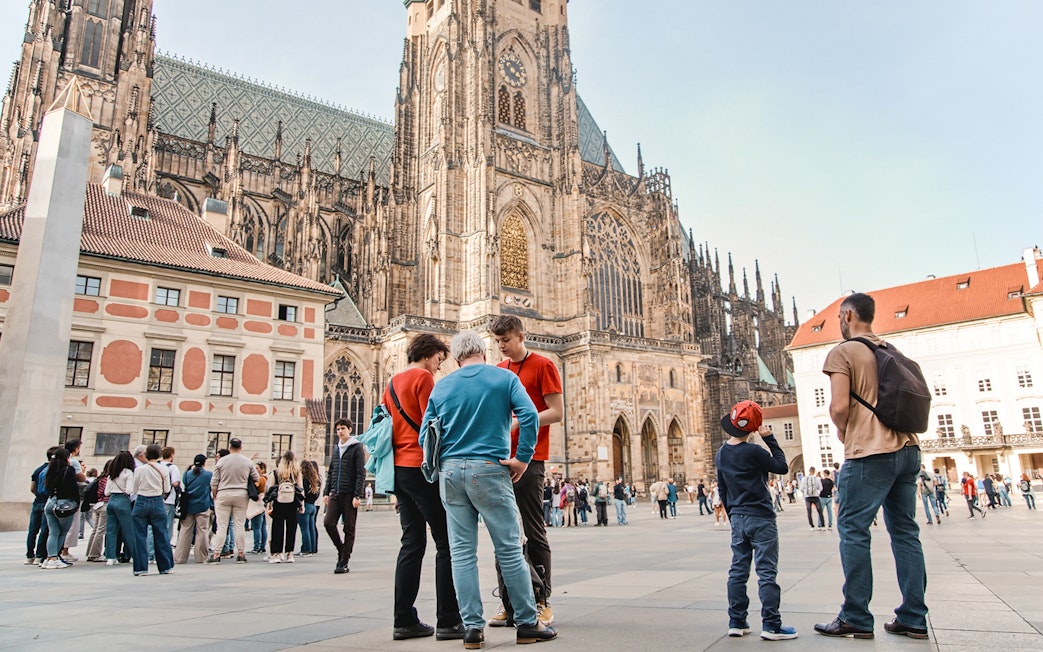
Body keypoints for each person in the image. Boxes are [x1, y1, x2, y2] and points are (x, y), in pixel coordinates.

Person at [420, 330, 556, 647]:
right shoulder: (503, 378)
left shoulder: (442, 386)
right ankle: (526, 623)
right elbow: (530, 417)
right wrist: (522, 459)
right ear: (484, 351)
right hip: (490, 469)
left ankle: (472, 629)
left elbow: (426, 435)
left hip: (451, 473)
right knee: (509, 549)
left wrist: (438, 469)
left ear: (456, 358)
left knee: (462, 555)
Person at [815, 293, 929, 641]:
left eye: (839, 316)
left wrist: (845, 430)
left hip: (870, 451)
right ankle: (913, 616)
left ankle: (856, 616)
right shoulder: (893, 351)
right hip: (909, 449)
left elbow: (837, 406)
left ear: (848, 316)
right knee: (906, 532)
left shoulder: (844, 352)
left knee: (853, 529)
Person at [382, 334, 464, 642]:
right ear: (429, 355)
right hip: (422, 469)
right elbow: (437, 423)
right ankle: (449, 620)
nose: (439, 367)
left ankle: (403, 619)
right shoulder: (424, 380)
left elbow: (385, 422)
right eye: (439, 360)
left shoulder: (392, 383)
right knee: (446, 543)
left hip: (399, 470)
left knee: (412, 543)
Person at [489, 315, 563, 628]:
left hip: (531, 457)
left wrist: (523, 420)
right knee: (502, 533)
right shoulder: (500, 371)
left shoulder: (543, 365)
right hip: (500, 457)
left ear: (521, 336)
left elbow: (557, 412)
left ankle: (542, 599)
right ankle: (510, 601)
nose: (501, 346)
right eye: (497, 342)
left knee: (533, 531)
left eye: (505, 340)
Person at [715, 400, 797, 640]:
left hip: (738, 518)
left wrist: (733, 516)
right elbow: (781, 467)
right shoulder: (754, 451)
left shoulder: (722, 453)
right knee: (767, 572)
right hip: (761, 516)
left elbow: (722, 490)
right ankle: (772, 626)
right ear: (752, 429)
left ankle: (736, 622)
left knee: (738, 571)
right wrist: (769, 439)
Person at [207, 438, 259, 564]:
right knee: (239, 525)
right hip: (241, 494)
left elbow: (214, 481)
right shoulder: (247, 461)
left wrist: (215, 494)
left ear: (230, 447)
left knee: (222, 525)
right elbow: (256, 478)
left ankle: (217, 554)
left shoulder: (221, 461)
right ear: (241, 447)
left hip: (224, 493)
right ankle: (241, 554)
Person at [325, 418, 366, 574]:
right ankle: (341, 549)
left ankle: (344, 561)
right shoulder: (337, 449)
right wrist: (327, 492)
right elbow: (331, 471)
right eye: (337, 429)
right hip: (336, 492)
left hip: (349, 494)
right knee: (328, 523)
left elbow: (360, 473)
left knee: (349, 528)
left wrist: (357, 495)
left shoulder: (356, 448)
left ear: (349, 429)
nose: (340, 431)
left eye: (342, 428)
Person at [131, 444, 174, 576]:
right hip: (157, 501)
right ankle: (165, 566)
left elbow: (134, 488)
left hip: (142, 500)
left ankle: (140, 568)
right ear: (159, 455)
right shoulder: (164, 469)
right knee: (161, 534)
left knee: (139, 536)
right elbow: (167, 489)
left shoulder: (139, 469)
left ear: (146, 455)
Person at [40, 447, 79, 570]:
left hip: (51, 501)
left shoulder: (50, 470)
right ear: (66, 458)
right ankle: (54, 558)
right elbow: (73, 488)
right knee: (62, 532)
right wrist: (77, 503)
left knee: (53, 532)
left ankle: (49, 558)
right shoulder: (69, 470)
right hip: (64, 503)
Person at [175, 454, 213, 564]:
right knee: (202, 531)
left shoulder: (187, 474)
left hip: (188, 506)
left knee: (185, 531)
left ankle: (180, 557)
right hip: (202, 505)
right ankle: (201, 557)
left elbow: (185, 486)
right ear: (204, 463)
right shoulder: (208, 474)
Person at [266, 451, 304, 564]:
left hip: (279, 502)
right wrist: (302, 505)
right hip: (293, 503)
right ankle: (290, 553)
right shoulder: (297, 473)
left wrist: (269, 505)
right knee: (291, 528)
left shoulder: (276, 473)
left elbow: (270, 489)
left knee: (277, 527)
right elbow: (301, 490)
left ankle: (277, 553)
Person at [104, 451, 136, 566]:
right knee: (128, 530)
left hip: (111, 500)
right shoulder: (128, 473)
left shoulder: (112, 473)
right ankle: (133, 555)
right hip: (123, 501)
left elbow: (106, 492)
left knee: (111, 530)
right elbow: (129, 490)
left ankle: (110, 557)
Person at [26, 447, 56, 565]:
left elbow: (32, 488)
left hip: (37, 500)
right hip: (47, 500)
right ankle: (39, 555)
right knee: (44, 529)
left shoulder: (38, 470)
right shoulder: (53, 470)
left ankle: (29, 555)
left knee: (33, 530)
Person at [85, 461, 110, 561]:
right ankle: (95, 554)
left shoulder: (100, 478)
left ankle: (90, 553)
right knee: (100, 530)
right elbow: (106, 492)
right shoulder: (107, 479)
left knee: (95, 530)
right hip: (104, 504)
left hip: (98, 505)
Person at [297, 460, 322, 555]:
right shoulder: (315, 480)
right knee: (311, 528)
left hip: (306, 505)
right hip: (313, 505)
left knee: (304, 529)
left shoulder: (303, 480)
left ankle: (306, 549)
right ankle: (312, 548)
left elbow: (301, 493)